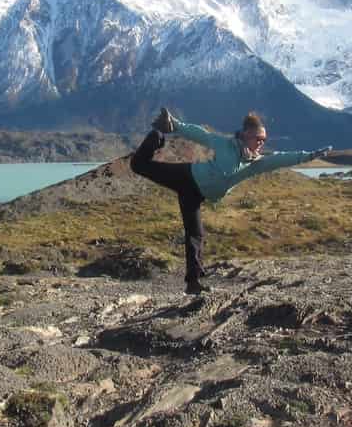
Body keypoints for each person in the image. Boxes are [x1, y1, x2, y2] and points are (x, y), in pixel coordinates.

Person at [130, 108, 332, 295]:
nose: (262, 142)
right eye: (258, 138)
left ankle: (193, 284)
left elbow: (281, 158)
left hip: (196, 194)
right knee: (140, 165)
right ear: (246, 135)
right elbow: (201, 134)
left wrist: (309, 156)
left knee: (196, 234)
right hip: (188, 176)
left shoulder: (255, 163)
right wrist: (175, 125)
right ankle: (155, 138)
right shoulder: (225, 144)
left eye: (264, 139)